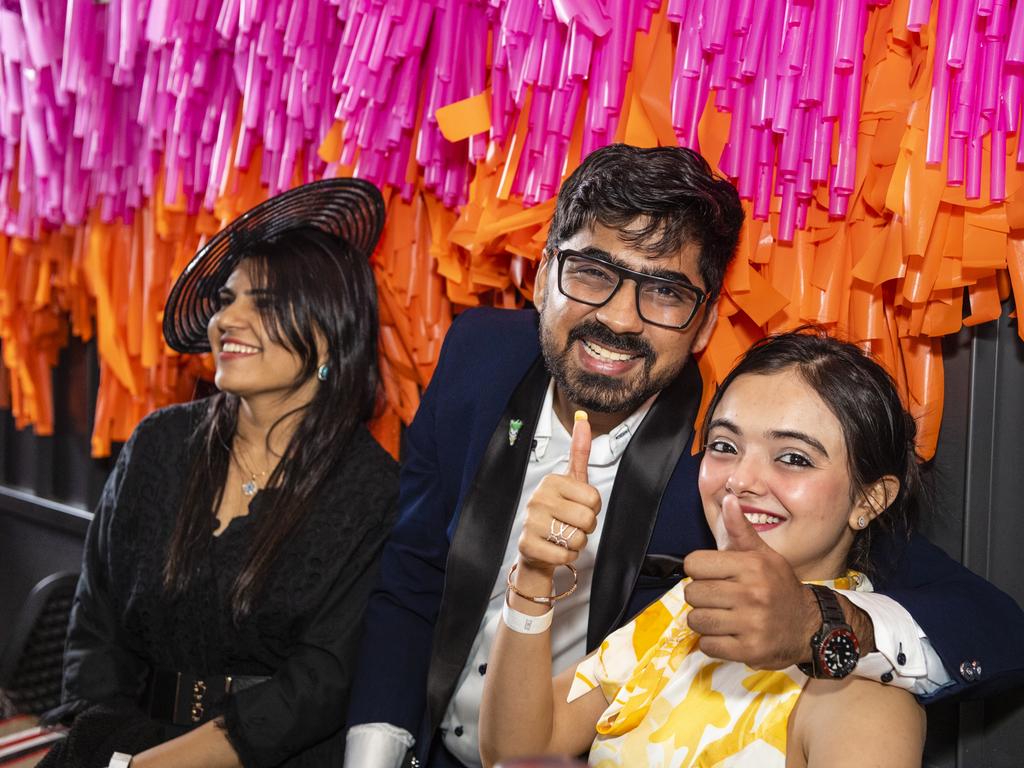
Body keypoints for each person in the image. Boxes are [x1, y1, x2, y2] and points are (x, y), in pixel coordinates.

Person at [344, 144, 1024, 768]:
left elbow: (990, 626)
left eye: (665, 291)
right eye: (591, 271)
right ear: (542, 272)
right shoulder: (475, 356)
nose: (618, 317)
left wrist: (820, 626)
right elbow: (411, 578)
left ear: (702, 324)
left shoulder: (730, 446)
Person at [40, 179, 399, 768]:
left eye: (262, 302)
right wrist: (104, 745)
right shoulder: (159, 443)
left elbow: (318, 686)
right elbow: (95, 628)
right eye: (226, 300)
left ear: (330, 330)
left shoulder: (369, 491)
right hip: (123, 745)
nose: (227, 319)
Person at [479, 330, 928, 767]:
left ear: (870, 498)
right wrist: (535, 573)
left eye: (793, 457)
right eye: (724, 446)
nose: (739, 480)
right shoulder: (679, 613)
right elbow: (517, 753)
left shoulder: (862, 691)